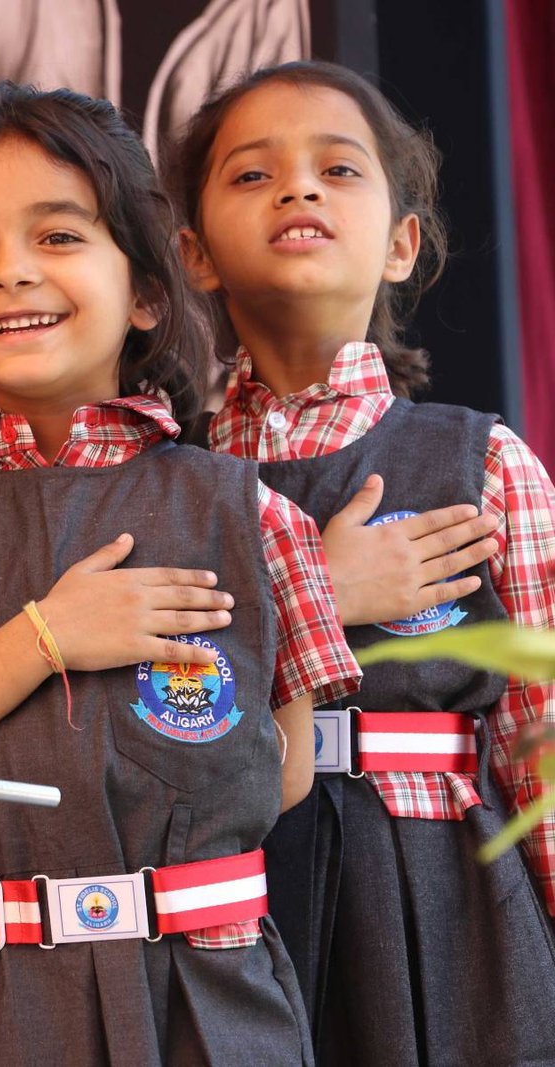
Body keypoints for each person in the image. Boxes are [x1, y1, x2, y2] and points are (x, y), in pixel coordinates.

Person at [0, 82, 361, 1065]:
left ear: (146, 291)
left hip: (209, 996)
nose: (13, 272)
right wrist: (45, 639)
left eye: (59, 236)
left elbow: (283, 768)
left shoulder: (252, 512)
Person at [168, 59, 555, 1065]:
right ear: (193, 254)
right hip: (231, 903)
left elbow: (544, 739)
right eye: (252, 174)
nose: (297, 189)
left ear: (400, 245)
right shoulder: (159, 481)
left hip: (449, 905)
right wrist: (317, 594)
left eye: (337, 169)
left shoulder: (482, 463)